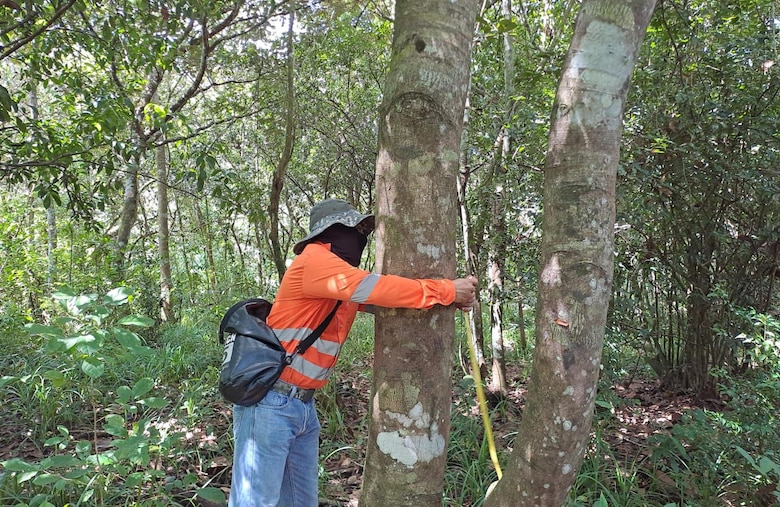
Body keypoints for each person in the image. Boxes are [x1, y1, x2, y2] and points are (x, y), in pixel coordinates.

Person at [228, 198, 478, 507]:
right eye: (355, 229)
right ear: (331, 232)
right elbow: (379, 288)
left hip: (301, 407)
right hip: (271, 403)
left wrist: (450, 299)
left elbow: (382, 301)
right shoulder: (315, 260)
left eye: (363, 231)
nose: (360, 237)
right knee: (256, 502)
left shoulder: (336, 278)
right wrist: (446, 290)